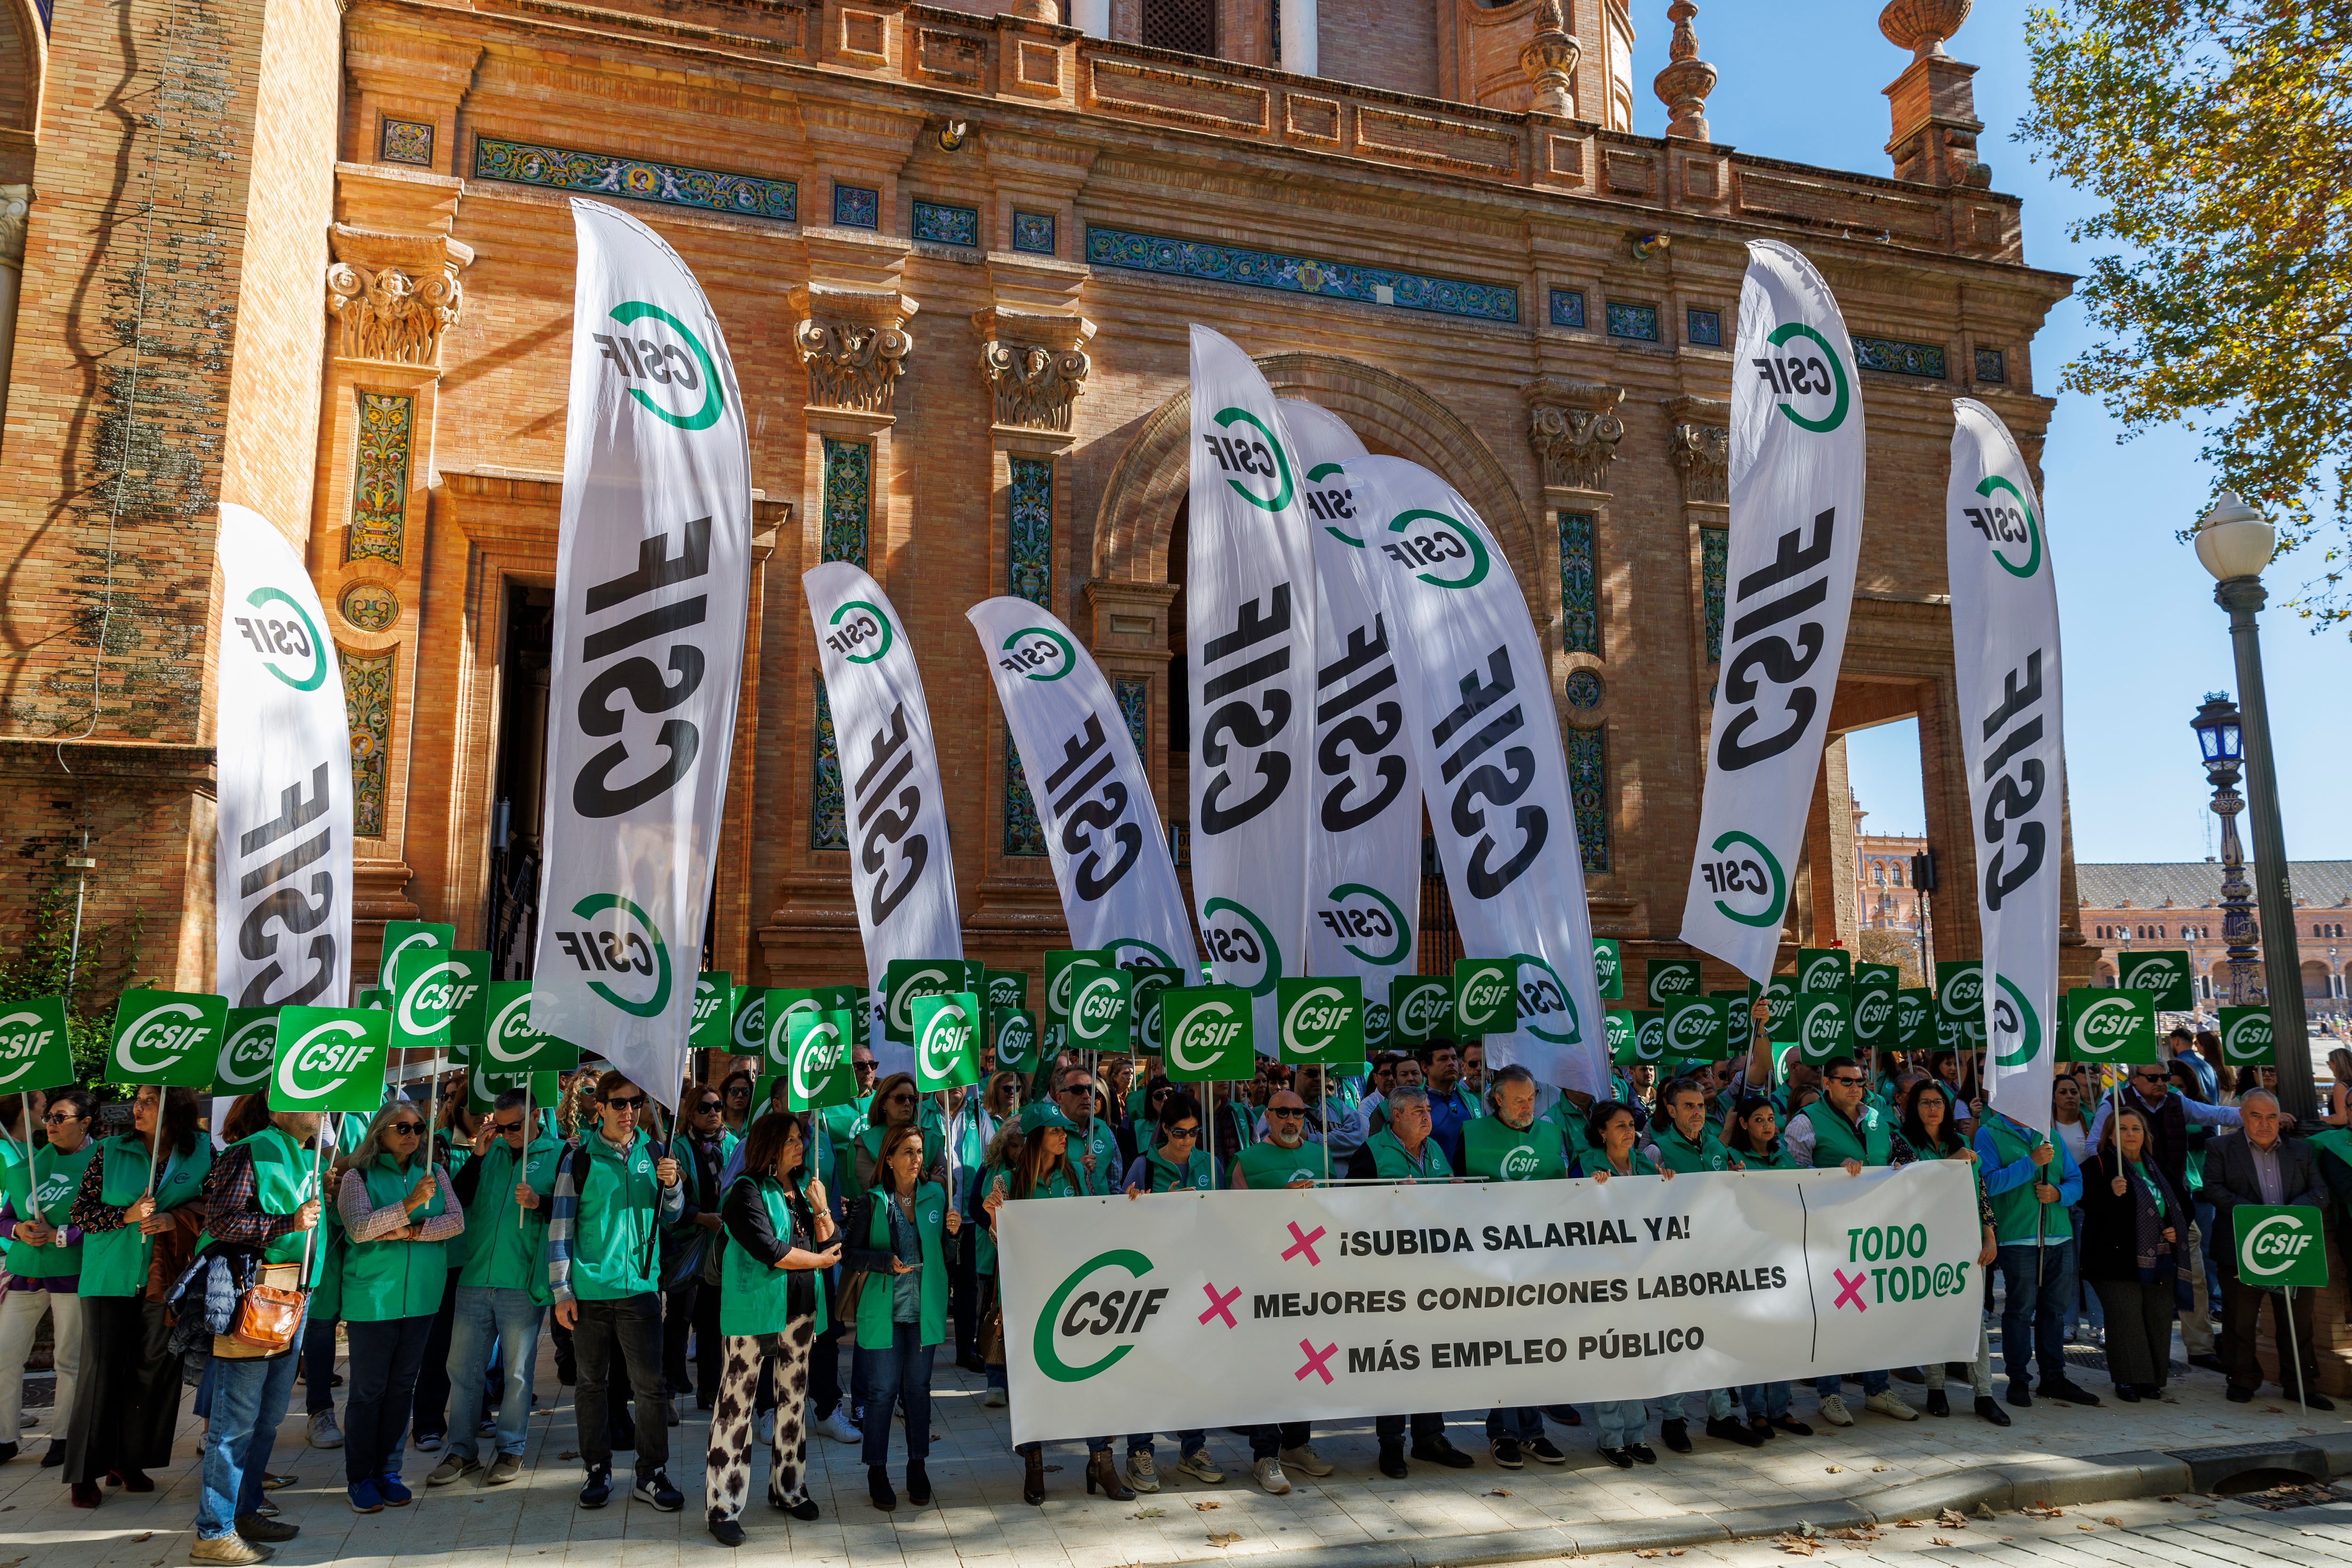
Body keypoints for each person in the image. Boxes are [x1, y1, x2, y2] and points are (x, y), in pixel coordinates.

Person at [191, 1093, 328, 1564]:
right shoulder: (247, 1151)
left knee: (267, 1418)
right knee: (234, 1423)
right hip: (255, 1299)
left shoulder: (308, 1154)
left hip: (294, 1299)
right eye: (313, 1103)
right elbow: (223, 1222)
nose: (323, 1112)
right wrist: (287, 1222)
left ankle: (245, 1511)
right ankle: (213, 1531)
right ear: (278, 1111)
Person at [64, 1084, 210, 1504]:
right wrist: (125, 1215)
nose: (137, 1107)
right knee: (101, 1374)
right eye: (139, 1099)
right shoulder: (109, 1150)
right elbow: (82, 1213)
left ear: (176, 1109)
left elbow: (212, 1205)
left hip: (167, 1283)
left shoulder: (202, 1150)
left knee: (155, 1373)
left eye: (149, 1100)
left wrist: (174, 1218)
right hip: (109, 1278)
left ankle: (129, 1462)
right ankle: (85, 1473)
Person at [548, 1072, 687, 1511]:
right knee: (591, 1384)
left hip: (641, 1288)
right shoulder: (578, 1159)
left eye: (636, 1102)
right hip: (589, 1291)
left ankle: (651, 1473)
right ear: (601, 1107)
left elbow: (672, 1218)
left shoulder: (655, 1151)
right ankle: (597, 1468)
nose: (629, 1111)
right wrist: (561, 1289)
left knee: (650, 1387)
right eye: (620, 1103)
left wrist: (674, 1186)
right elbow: (561, 1226)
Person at [985, 1101, 1133, 1505]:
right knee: (1031, 1384)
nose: (1064, 1135)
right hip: (1028, 1298)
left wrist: (1132, 1202)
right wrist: (996, 1218)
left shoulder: (1077, 1175)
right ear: (1035, 1138)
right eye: (1055, 1130)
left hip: (1078, 1296)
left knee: (1093, 1377)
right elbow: (999, 1243)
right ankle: (1034, 1466)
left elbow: (1098, 1223)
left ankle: (1102, 1462)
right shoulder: (1004, 1181)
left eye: (1065, 1129)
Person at [705, 1110, 836, 1545]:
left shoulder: (799, 1188)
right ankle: (723, 1506)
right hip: (753, 1312)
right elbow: (771, 1250)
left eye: (801, 1138)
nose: (801, 1146)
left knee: (793, 1403)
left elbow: (831, 1240)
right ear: (769, 1145)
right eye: (793, 1140)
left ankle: (789, 1488)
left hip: (799, 1311)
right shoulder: (743, 1192)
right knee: (736, 1408)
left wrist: (822, 1208)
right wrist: (820, 1260)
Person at [331, 1098, 463, 1512]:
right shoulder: (357, 1175)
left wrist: (410, 1232)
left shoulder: (436, 1173)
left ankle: (390, 1471)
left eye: (419, 1128)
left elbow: (456, 1222)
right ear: (380, 1132)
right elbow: (359, 1227)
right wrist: (407, 1205)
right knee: (369, 1391)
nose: (413, 1135)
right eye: (402, 1128)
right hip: (374, 1298)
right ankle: (360, 1477)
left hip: (423, 1296)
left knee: (403, 1388)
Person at [429, 1088, 561, 1488]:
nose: (507, 1134)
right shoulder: (491, 1152)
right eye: (500, 1127)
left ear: (536, 1115)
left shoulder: (560, 1155)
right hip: (474, 1275)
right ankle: (461, 1450)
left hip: (520, 1280)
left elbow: (573, 1212)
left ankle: (511, 1448)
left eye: (516, 1126)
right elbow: (458, 1198)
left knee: (517, 1372)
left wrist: (541, 1202)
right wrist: (478, 1156)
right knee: (463, 1369)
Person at [1342, 1086, 1475, 1476]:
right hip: (1390, 1277)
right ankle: (1391, 1445)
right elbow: (1352, 1210)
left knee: (1431, 1357)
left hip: (1433, 1275)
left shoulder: (1434, 1151)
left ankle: (1430, 1438)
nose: (1426, 1116)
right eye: (1417, 1110)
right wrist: (1391, 1198)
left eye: (1428, 1109)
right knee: (1395, 1361)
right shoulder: (1372, 1151)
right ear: (1395, 1115)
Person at [1787, 1056, 1920, 1425]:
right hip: (1828, 1237)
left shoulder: (1878, 1118)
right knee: (1834, 1314)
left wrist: (1899, 1168)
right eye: (1846, 1081)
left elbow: (1904, 1157)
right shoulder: (1806, 1122)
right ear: (1827, 1083)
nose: (1855, 1087)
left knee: (1876, 1311)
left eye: (1859, 1081)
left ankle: (1878, 1389)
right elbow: (1789, 1178)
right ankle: (1829, 1394)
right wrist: (1829, 1174)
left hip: (1876, 1235)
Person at [2087, 1059, 2241, 1368]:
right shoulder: (2114, 1102)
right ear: (2135, 1078)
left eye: (2165, 1076)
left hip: (2174, 1203)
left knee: (2193, 1276)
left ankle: (2200, 1347)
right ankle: (2145, 1356)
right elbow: (2094, 1144)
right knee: (2141, 1286)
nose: (2162, 1082)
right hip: (2131, 1209)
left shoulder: (2175, 1101)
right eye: (2154, 1077)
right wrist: (2126, 1165)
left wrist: (2250, 1115)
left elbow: (2215, 1113)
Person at [1461, 1065, 1577, 1466]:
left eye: (1531, 1098)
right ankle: (1504, 1431)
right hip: (1492, 1263)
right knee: (1503, 1348)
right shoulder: (1470, 1135)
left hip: (1541, 1262)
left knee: (1536, 1349)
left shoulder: (1551, 1133)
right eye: (1518, 1100)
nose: (1527, 1107)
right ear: (1497, 1099)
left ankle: (1533, 1432)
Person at [1639, 1078, 1764, 1452]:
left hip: (1717, 1258)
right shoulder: (1656, 1151)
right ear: (1672, 1110)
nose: (1697, 1111)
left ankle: (1721, 1416)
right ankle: (1672, 1418)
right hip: (1675, 1264)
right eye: (1689, 1106)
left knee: (1719, 1337)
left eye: (1701, 1105)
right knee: (1677, 1341)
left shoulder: (1715, 1146)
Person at [844, 1124, 956, 1511]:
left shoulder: (937, 1196)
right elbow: (850, 1253)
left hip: (922, 1312)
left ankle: (917, 1466)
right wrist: (883, 1263)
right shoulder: (872, 1201)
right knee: (881, 1394)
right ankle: (877, 1470)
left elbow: (947, 1256)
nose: (916, 1159)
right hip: (883, 1311)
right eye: (907, 1152)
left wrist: (953, 1235)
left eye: (920, 1151)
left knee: (918, 1392)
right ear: (888, 1158)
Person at [1117, 1091, 1224, 1492]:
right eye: (1180, 1132)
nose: (1187, 1140)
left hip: (1194, 1280)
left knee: (1193, 1366)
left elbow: (1224, 1215)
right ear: (1164, 1128)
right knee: (1145, 1366)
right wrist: (1141, 1203)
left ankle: (1193, 1447)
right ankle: (1139, 1450)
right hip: (1152, 1280)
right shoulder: (1145, 1166)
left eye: (1194, 1133)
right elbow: (1121, 1219)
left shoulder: (1209, 1164)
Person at [2203, 1088, 2335, 1408]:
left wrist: (2287, 1217)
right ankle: (2242, 1380)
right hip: (2240, 1249)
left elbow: (2320, 1192)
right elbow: (2213, 1189)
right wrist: (2257, 1218)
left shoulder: (2300, 1151)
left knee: (2299, 1323)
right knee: (2240, 1321)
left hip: (2293, 1250)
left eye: (2272, 1116)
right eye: (2256, 1115)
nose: (2265, 1123)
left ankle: (2301, 1384)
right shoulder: (2220, 1147)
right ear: (2242, 1116)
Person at [1975, 1098, 2099, 1408]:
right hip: (2018, 1237)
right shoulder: (1988, 1134)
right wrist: (2031, 1162)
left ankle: (2053, 1377)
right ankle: (2018, 1379)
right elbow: (1988, 1185)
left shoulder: (2049, 1135)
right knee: (2019, 1311)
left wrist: (2059, 1194)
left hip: (2059, 1236)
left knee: (2054, 1312)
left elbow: (2076, 1181)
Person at [1899, 1080, 2004, 1425]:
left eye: (1939, 1102)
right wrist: (1949, 1165)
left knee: (1974, 1320)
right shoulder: (1902, 1143)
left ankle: (1984, 1393)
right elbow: (1907, 1185)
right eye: (1925, 1102)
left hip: (1968, 1244)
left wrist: (1989, 1237)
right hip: (1925, 1245)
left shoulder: (1962, 1143)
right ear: (1914, 1107)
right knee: (1934, 1316)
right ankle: (1936, 1387)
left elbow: (1981, 1196)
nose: (1933, 1108)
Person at [0, 1087, 95, 1469]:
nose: (50, 1124)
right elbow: (5, 1217)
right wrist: (19, 1230)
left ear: (85, 1122)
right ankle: (4, 1437)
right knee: (5, 1354)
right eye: (49, 1116)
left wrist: (61, 1235)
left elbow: (112, 1218)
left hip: (74, 1275)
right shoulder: (31, 1163)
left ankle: (64, 1437)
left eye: (61, 1117)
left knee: (68, 1359)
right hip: (26, 1273)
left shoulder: (103, 1161)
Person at [1578, 1100, 1670, 1467]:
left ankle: (1637, 1435)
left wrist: (1670, 1184)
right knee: (1611, 1355)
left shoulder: (1645, 1164)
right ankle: (1611, 1437)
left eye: (1632, 1124)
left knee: (1637, 1354)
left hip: (1641, 1276)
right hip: (1603, 1275)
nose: (1629, 1131)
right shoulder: (1587, 1163)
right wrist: (1589, 1188)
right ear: (1602, 1131)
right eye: (1620, 1125)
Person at [2079, 1103, 2189, 1404]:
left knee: (2157, 1318)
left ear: (2145, 1135)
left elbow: (2183, 1205)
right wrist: (2109, 1192)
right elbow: (2084, 1204)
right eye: (2123, 1129)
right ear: (2111, 1136)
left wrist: (2175, 1228)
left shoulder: (2158, 1168)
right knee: (2126, 1319)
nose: (2130, 1134)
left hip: (2160, 1258)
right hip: (2113, 1260)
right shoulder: (2098, 1167)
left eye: (2136, 1129)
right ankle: (2128, 1379)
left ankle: (2152, 1379)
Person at [1721, 1097, 1810, 1441]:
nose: (1767, 1125)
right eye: (1758, 1119)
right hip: (1747, 1259)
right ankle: (1756, 1412)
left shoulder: (1784, 1157)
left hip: (1783, 1256)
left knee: (1782, 1335)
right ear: (1743, 1124)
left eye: (1771, 1118)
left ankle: (1780, 1409)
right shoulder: (1733, 1159)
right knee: (1755, 1338)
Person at [668, 1086, 735, 1415]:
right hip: (690, 1242)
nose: (714, 1112)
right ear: (692, 1114)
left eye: (718, 1106)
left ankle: (711, 1389)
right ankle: (670, 1384)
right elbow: (671, 1203)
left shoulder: (734, 1144)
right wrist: (702, 1217)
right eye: (705, 1108)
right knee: (681, 1316)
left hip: (725, 1247)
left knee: (713, 1321)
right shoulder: (677, 1148)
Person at [1054, 1063, 1123, 1196]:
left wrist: (1129, 1196)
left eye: (1091, 1090)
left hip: (1102, 1213)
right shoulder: (1047, 1131)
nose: (1086, 1095)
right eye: (1077, 1090)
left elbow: (1114, 1187)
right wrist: (1078, 1170)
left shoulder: (1104, 1130)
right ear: (1060, 1098)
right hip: (1062, 1212)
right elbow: (1037, 1182)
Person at [1423, 1042, 1476, 1168]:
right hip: (1430, 1184)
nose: (1451, 1063)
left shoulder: (1474, 1103)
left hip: (1470, 1184)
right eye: (1443, 1059)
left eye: (1454, 1058)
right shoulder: (1414, 1105)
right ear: (1425, 1067)